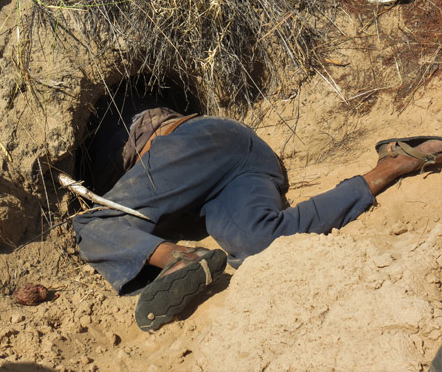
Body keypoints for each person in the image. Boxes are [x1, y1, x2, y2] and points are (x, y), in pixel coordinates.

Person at [73, 96, 442, 331]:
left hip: (192, 140)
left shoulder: (103, 123)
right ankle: (393, 164)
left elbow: (117, 211)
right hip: (246, 153)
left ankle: (179, 258)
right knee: (259, 241)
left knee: (91, 224)